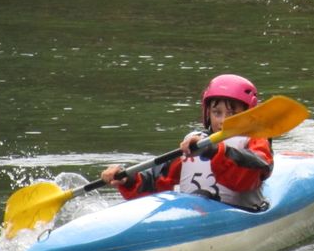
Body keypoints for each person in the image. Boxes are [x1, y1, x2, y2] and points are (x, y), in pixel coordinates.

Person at [100, 74, 273, 211]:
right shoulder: (195, 143)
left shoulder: (256, 142)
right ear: (207, 114)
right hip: (196, 215)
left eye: (232, 113)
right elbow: (156, 181)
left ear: (248, 114)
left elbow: (248, 176)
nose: (223, 121)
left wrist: (214, 151)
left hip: (241, 215)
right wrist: (127, 179)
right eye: (217, 112)